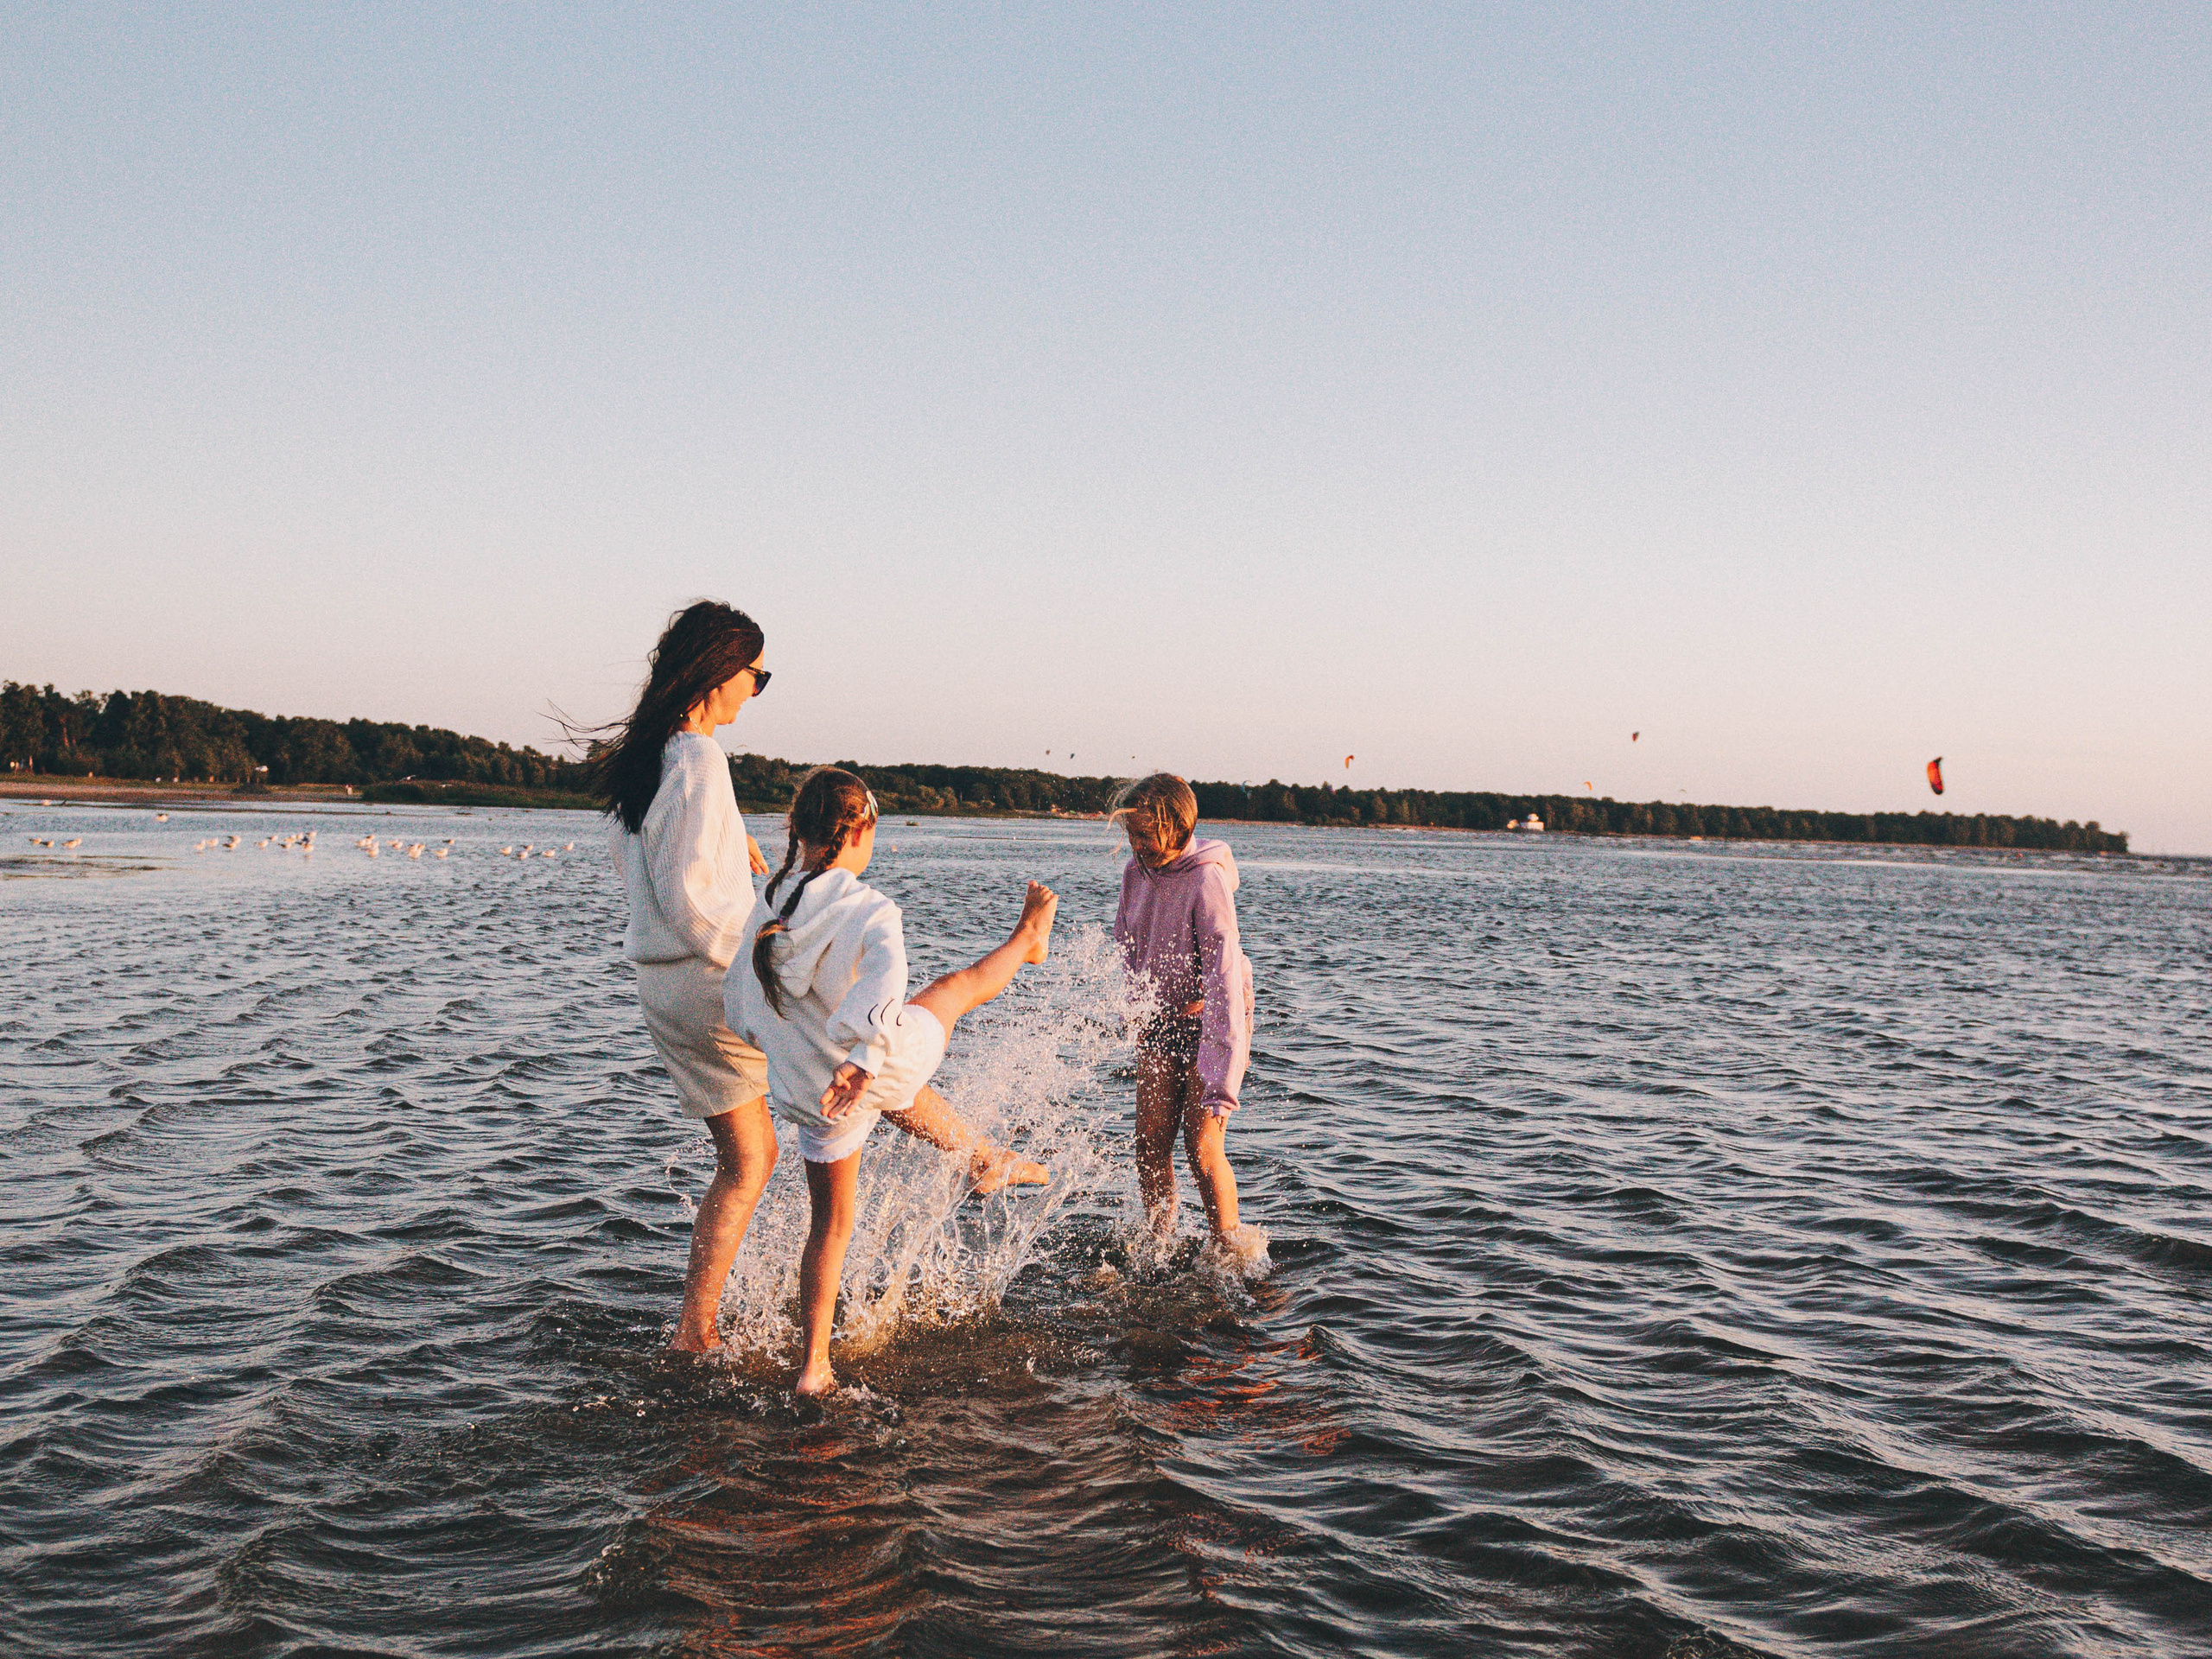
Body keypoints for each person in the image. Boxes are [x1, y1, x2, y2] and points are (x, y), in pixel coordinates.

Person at [729, 766, 1052, 1395]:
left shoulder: (767, 902)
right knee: (952, 993)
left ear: (797, 831)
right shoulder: (868, 906)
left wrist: (780, 1048)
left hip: (816, 1090)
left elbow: (742, 997)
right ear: (859, 832)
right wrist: (865, 1057)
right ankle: (1027, 940)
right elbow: (886, 975)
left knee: (831, 1223)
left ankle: (814, 1367)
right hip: (875, 1060)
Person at [593, 600, 777, 1355]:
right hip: (710, 980)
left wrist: (738, 845)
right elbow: (691, 898)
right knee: (861, 1049)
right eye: (756, 676)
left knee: (751, 1158)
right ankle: (976, 1154)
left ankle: (693, 1332)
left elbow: (656, 867)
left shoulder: (652, 759)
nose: (756, 690)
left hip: (662, 984)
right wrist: (763, 959)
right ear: (718, 674)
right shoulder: (700, 759)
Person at [1110, 772, 1262, 1266]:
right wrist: (1133, 1010)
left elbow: (1222, 977)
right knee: (1149, 1143)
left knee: (1201, 1146)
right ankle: (1158, 1250)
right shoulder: (1137, 872)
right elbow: (1127, 946)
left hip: (1211, 1022)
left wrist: (1221, 1082)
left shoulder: (1206, 879)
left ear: (1178, 826)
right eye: (1131, 835)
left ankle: (1230, 1254)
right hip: (1160, 1020)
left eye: (1145, 835)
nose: (1137, 845)